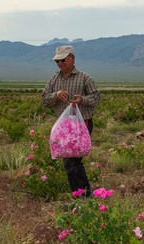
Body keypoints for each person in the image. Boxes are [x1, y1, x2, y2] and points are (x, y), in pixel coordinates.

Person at [42, 45, 100, 198]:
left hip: (82, 124)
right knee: (70, 161)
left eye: (63, 60)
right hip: (63, 127)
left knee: (72, 160)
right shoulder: (54, 79)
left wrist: (82, 99)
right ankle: (82, 195)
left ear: (72, 59)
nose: (60, 63)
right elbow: (44, 100)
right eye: (57, 61)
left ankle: (83, 195)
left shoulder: (85, 78)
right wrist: (55, 95)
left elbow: (96, 98)